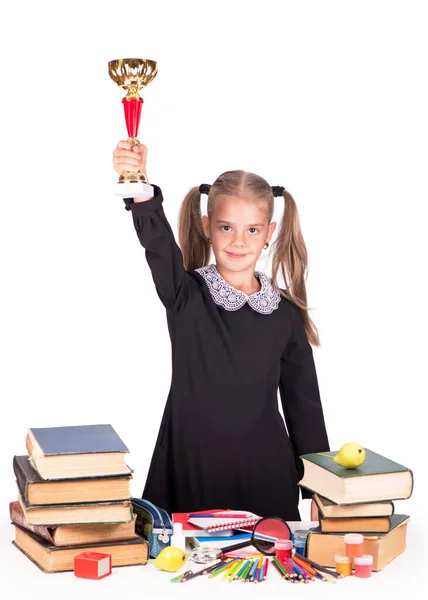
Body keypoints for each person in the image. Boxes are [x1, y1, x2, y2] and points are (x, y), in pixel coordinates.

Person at [112, 140, 330, 522]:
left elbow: (303, 402)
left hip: (266, 477)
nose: (238, 240)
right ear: (206, 226)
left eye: (252, 229)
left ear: (270, 232)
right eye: (226, 227)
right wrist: (140, 189)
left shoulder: (284, 312)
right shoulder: (186, 295)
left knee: (267, 574)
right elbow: (159, 246)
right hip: (193, 471)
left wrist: (321, 485)